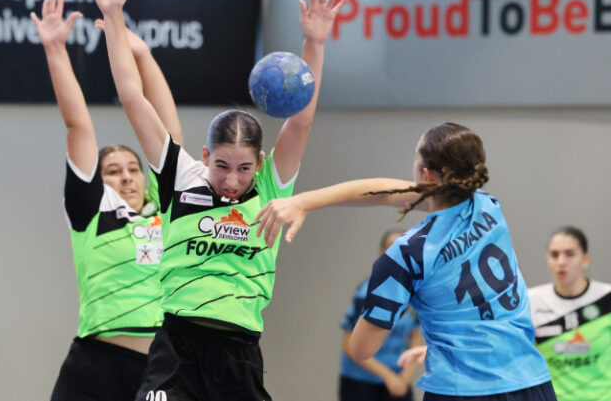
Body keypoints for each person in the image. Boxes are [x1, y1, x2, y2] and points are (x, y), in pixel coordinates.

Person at [90, 0, 347, 399]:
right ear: (206, 156)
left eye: (244, 168)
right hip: (177, 347)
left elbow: (300, 121)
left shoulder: (271, 187)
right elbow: (133, 97)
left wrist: (314, 44)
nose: (232, 180)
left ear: (259, 163)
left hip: (238, 352)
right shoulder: (180, 176)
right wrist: (113, 14)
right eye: (222, 166)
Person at [254, 123, 556, 400]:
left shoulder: (407, 254)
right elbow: (385, 191)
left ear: (426, 174)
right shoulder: (487, 206)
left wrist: (302, 202)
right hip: (532, 383)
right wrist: (304, 201)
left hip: (462, 391)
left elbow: (360, 348)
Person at [30, 0, 184, 401]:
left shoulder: (165, 208)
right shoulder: (92, 211)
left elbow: (169, 134)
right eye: (113, 171)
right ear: (98, 182)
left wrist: (144, 56)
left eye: (133, 168)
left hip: (160, 368)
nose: (127, 176)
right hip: (95, 364)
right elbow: (78, 126)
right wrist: (55, 50)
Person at [529, 227, 611, 401]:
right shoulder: (531, 301)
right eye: (554, 255)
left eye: (570, 254)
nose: (561, 262)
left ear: (585, 259)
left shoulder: (607, 297)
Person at [339, 229, 422, 401]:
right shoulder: (367, 293)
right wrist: (388, 377)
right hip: (362, 382)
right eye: (392, 249)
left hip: (398, 380)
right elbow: (349, 344)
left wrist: (405, 377)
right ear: (381, 254)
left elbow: (415, 338)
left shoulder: (415, 293)